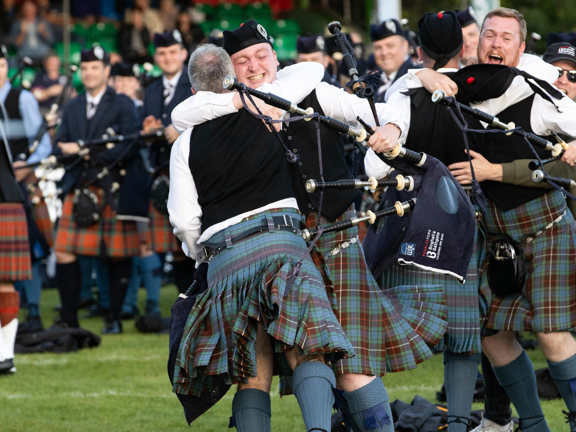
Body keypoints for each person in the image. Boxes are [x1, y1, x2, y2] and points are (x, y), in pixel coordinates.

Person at [171, 19, 449, 432]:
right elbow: (183, 113)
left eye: (260, 56)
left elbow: (380, 114)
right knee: (271, 362)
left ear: (274, 56)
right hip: (283, 244)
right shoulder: (220, 112)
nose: (254, 67)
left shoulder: (310, 88)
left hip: (329, 235)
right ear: (230, 71)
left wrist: (390, 128)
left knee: (350, 362)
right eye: (242, 62)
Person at [169, 43, 355, 432]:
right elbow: (309, 70)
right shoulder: (269, 110)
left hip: (226, 257)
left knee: (252, 371)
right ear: (232, 79)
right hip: (284, 245)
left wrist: (202, 255)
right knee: (308, 351)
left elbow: (185, 222)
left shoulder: (183, 144)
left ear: (193, 92)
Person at [437, 8, 576, 432]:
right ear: (476, 43)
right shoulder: (461, 91)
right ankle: (533, 426)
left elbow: (570, 169)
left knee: (552, 336)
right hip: (496, 234)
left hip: (546, 227)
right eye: (489, 35)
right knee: (492, 336)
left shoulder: (541, 96)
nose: (495, 44)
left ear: (520, 48)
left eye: (506, 38)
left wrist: (498, 171)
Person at [364, 11, 486, 432]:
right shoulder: (481, 89)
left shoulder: (403, 94)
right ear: (463, 47)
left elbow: (374, 166)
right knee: (464, 336)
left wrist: (416, 76)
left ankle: (367, 416)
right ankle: (455, 424)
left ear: (418, 51)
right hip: (463, 219)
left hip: (407, 220)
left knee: (380, 323)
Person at [52, 46, 141, 334]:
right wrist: (86, 150)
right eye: (85, 67)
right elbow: (60, 147)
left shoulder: (123, 104)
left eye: (95, 67)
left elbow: (128, 146)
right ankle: (69, 318)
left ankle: (113, 317)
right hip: (79, 186)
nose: (89, 73)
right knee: (64, 252)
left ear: (106, 71)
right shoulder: (73, 105)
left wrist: (85, 150)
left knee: (116, 255)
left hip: (110, 187)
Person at [0, 45, 52, 333]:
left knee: (31, 247)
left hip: (20, 186)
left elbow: (42, 142)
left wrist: (25, 165)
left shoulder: (23, 98)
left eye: (2, 65)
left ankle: (33, 311)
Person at [141, 29, 195, 296]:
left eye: (173, 51)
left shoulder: (195, 81)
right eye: (162, 53)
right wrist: (149, 131)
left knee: (191, 241)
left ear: (184, 54)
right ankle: (183, 302)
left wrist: (179, 129)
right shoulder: (151, 89)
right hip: (163, 173)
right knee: (174, 247)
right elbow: (152, 127)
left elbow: (207, 117)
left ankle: (196, 301)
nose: (167, 58)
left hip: (192, 173)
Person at [0, 123, 32, 375]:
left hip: (6, 199)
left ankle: (5, 354)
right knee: (4, 282)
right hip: (8, 198)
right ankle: (5, 355)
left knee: (5, 281)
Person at [369, 18, 420, 102]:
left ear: (405, 46)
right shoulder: (372, 82)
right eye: (378, 48)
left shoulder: (418, 77)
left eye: (390, 46)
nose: (384, 52)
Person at [8, 0, 54, 66]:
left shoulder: (43, 22)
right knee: (12, 60)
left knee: (52, 58)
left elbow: (52, 42)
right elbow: (14, 46)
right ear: (22, 9)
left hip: (42, 53)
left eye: (31, 7)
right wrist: (22, 33)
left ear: (36, 8)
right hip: (25, 53)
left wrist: (44, 32)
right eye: (26, 8)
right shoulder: (17, 24)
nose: (29, 10)